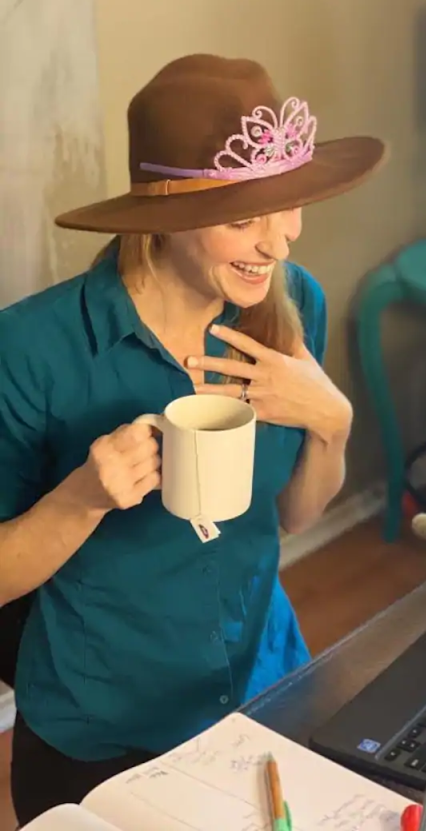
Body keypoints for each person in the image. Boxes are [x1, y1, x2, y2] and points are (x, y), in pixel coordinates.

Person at [0, 54, 387, 825]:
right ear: (165, 220)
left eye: (289, 206)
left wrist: (331, 421)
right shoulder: (32, 350)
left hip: (266, 688)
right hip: (101, 730)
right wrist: (81, 499)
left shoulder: (290, 304)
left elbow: (295, 519)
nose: (278, 243)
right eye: (244, 217)